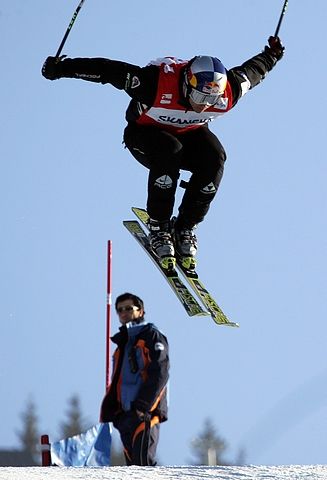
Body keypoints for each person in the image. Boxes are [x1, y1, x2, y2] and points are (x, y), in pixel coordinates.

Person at [42, 36, 284, 270]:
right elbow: (107, 70)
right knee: (170, 152)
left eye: (211, 99)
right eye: (200, 95)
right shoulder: (153, 83)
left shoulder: (229, 92)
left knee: (214, 158)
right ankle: (158, 226)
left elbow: (254, 71)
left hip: (188, 133)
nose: (204, 104)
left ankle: (185, 227)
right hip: (145, 135)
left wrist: (272, 55)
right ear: (188, 83)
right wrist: (61, 68)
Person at [99, 292, 169, 466]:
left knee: (143, 466)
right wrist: (114, 411)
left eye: (129, 308)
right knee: (132, 469)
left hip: (144, 413)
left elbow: (160, 371)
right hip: (125, 415)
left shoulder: (151, 336)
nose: (124, 313)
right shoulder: (122, 345)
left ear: (141, 311)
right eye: (120, 310)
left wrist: (143, 406)